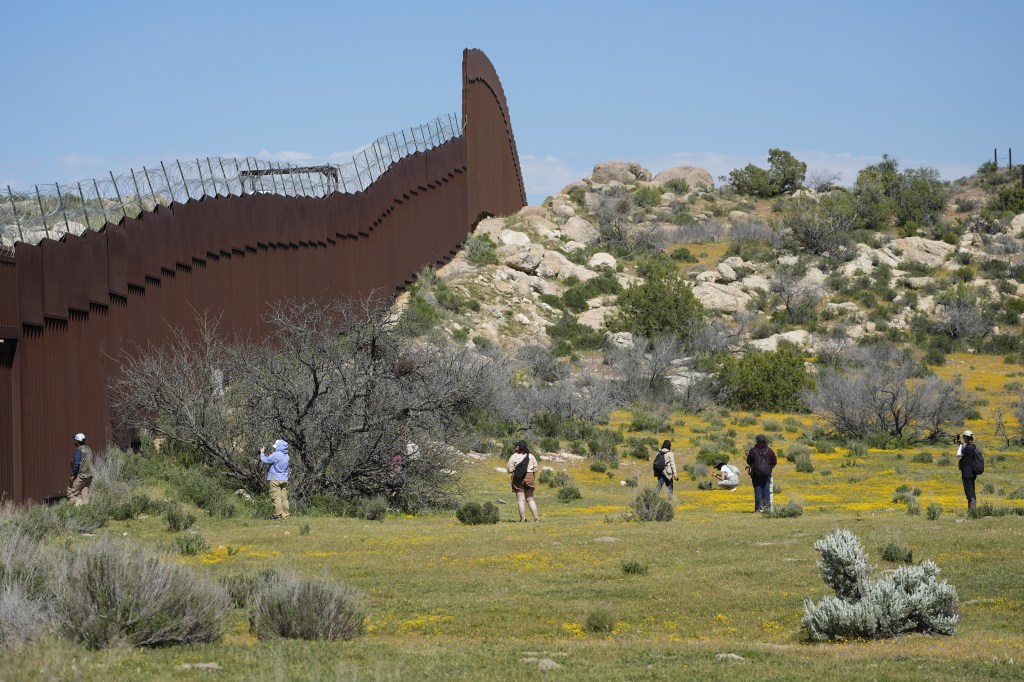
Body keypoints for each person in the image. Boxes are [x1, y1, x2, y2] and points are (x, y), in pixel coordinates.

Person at [506, 440, 539, 522]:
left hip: (518, 478)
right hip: (530, 477)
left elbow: (509, 470)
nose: (515, 447)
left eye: (516, 446)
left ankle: (523, 519)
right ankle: (536, 518)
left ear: (519, 447)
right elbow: (535, 468)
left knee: (521, 499)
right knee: (530, 499)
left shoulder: (514, 456)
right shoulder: (531, 456)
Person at [259, 439, 290, 520]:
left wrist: (262, 453)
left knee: (276, 498)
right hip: (284, 479)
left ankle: (277, 515)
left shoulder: (276, 454)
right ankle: (286, 515)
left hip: (275, 479)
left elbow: (266, 460)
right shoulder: (287, 456)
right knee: (284, 498)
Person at [746, 434, 777, 512]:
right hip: (767, 475)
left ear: (757, 441)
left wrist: (754, 468)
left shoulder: (752, 451)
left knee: (758, 491)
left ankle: (757, 509)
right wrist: (768, 469)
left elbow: (748, 461)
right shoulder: (769, 451)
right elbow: (774, 462)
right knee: (766, 491)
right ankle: (767, 508)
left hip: (756, 475)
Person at [67, 433, 94, 506]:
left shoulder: (78, 450)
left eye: (75, 440)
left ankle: (79, 506)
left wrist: (72, 475)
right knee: (84, 495)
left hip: (81, 476)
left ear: (77, 441)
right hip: (90, 476)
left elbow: (76, 464)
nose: (74, 441)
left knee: (70, 493)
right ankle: (86, 510)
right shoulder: (89, 449)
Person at [957, 430, 981, 510]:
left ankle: (972, 510)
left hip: (967, 473)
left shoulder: (969, 447)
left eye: (964, 437)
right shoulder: (972, 446)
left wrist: (960, 445)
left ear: (967, 437)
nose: (963, 439)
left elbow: (959, 454)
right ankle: (972, 509)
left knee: (969, 492)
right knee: (971, 490)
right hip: (971, 473)